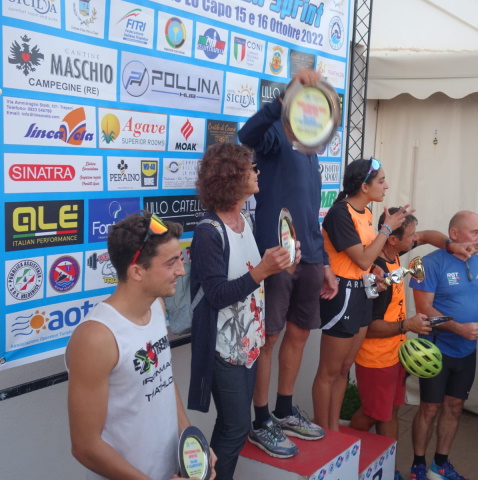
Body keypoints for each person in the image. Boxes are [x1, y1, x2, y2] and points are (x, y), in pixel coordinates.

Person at [67, 211, 216, 480]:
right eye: (171, 263)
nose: (181, 271)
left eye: (179, 259)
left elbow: (162, 380)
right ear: (137, 271)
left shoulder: (157, 306)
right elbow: (85, 447)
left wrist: (193, 444)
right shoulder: (96, 338)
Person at [238, 67, 338, 456]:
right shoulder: (275, 134)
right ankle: (261, 419)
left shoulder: (310, 147)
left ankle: (283, 410)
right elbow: (246, 136)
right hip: (277, 255)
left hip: (310, 256)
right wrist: (280, 101)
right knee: (270, 338)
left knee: (298, 335)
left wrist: (324, 262)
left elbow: (310, 211)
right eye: (307, 102)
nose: (312, 111)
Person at [188, 143, 298, 478]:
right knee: (236, 428)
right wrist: (263, 270)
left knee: (231, 426)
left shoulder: (244, 219)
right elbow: (217, 295)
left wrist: (280, 261)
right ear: (233, 178)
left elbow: (251, 276)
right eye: (251, 168)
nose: (257, 172)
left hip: (249, 344)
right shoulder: (208, 232)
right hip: (223, 349)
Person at [350, 208, 473, 479]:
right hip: (376, 360)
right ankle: (342, 446)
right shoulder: (377, 272)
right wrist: (407, 325)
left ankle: (389, 467)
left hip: (395, 355)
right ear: (393, 240)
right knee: (373, 413)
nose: (416, 239)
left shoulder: (394, 251)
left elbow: (428, 236)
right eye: (410, 236)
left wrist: (452, 246)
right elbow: (368, 328)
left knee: (390, 412)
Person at [311, 158, 413, 432]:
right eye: (381, 181)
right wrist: (386, 228)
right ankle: (322, 430)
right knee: (329, 371)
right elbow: (364, 258)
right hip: (341, 295)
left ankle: (332, 430)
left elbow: (366, 264)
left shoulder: (366, 213)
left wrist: (375, 274)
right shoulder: (340, 213)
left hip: (362, 294)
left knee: (344, 369)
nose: (386, 186)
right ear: (364, 186)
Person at [409, 211, 478, 480]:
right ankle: (418, 465)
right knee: (429, 408)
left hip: (466, 352)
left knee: (454, 407)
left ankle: (439, 465)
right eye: (475, 233)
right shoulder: (426, 263)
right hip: (435, 351)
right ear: (454, 234)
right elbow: (424, 309)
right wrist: (459, 328)